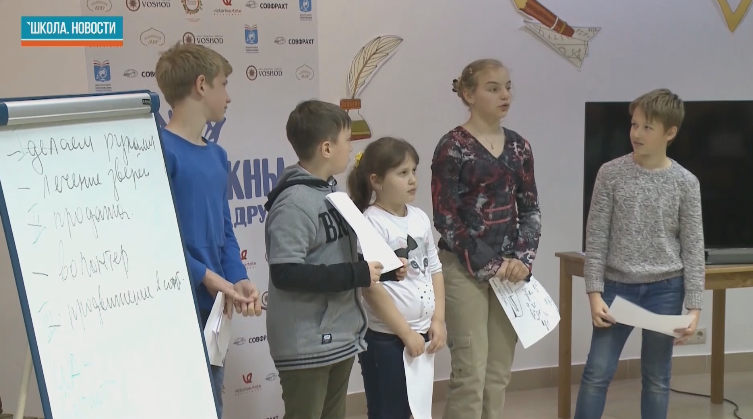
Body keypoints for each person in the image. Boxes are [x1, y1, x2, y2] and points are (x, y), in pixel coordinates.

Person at [575, 88, 704, 419]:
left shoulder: (685, 182)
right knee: (596, 373)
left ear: (670, 132)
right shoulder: (610, 173)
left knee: (657, 379)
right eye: (634, 124)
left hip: (666, 289)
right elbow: (596, 236)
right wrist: (594, 293)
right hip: (617, 287)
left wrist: (694, 308)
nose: (637, 133)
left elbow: (693, 246)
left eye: (647, 127)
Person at [155, 42, 263, 418]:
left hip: (214, 310)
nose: (228, 96)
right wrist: (205, 275)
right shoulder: (159, 151)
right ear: (202, 85)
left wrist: (237, 277)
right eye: (224, 84)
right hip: (173, 307)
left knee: (212, 403)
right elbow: (156, 239)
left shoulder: (217, 155)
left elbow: (225, 229)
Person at [430, 58, 542, 419]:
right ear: (469, 94)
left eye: (508, 87)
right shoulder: (453, 146)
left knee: (497, 375)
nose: (505, 95)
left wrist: (522, 261)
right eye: (493, 88)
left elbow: (530, 209)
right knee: (470, 374)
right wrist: (491, 263)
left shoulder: (519, 147)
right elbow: (446, 219)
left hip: (510, 272)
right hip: (464, 269)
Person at [263, 99, 385, 419]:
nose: (352, 147)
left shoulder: (331, 194)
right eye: (347, 140)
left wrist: (383, 268)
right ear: (327, 148)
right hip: (306, 343)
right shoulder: (294, 202)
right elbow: (286, 273)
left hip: (339, 336)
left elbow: (338, 257)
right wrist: (356, 274)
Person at [346, 137, 447, 419]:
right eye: (402, 173)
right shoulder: (371, 222)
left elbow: (435, 269)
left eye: (414, 171)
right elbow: (371, 287)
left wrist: (438, 320)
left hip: (422, 333)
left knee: (414, 410)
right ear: (376, 181)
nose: (412, 179)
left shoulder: (420, 218)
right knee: (387, 411)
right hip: (387, 338)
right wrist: (405, 333)